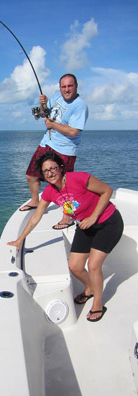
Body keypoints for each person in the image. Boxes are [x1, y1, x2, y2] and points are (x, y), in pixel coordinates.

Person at [9, 152, 124, 322]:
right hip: (86, 225)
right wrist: (20, 240)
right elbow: (36, 217)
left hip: (108, 222)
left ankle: (98, 304)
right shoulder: (49, 192)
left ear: (61, 168)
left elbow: (107, 191)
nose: (50, 173)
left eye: (53, 168)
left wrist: (93, 217)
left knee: (93, 265)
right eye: (45, 171)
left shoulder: (79, 178)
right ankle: (90, 288)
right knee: (75, 267)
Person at [20, 74, 89, 230]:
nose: (66, 89)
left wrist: (52, 125)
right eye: (63, 86)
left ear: (76, 86)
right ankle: (34, 201)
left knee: (65, 185)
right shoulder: (57, 97)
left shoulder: (80, 106)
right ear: (60, 88)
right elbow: (44, 115)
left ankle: (68, 217)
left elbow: (73, 131)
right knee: (31, 174)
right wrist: (43, 105)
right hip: (47, 143)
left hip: (65, 149)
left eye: (70, 86)